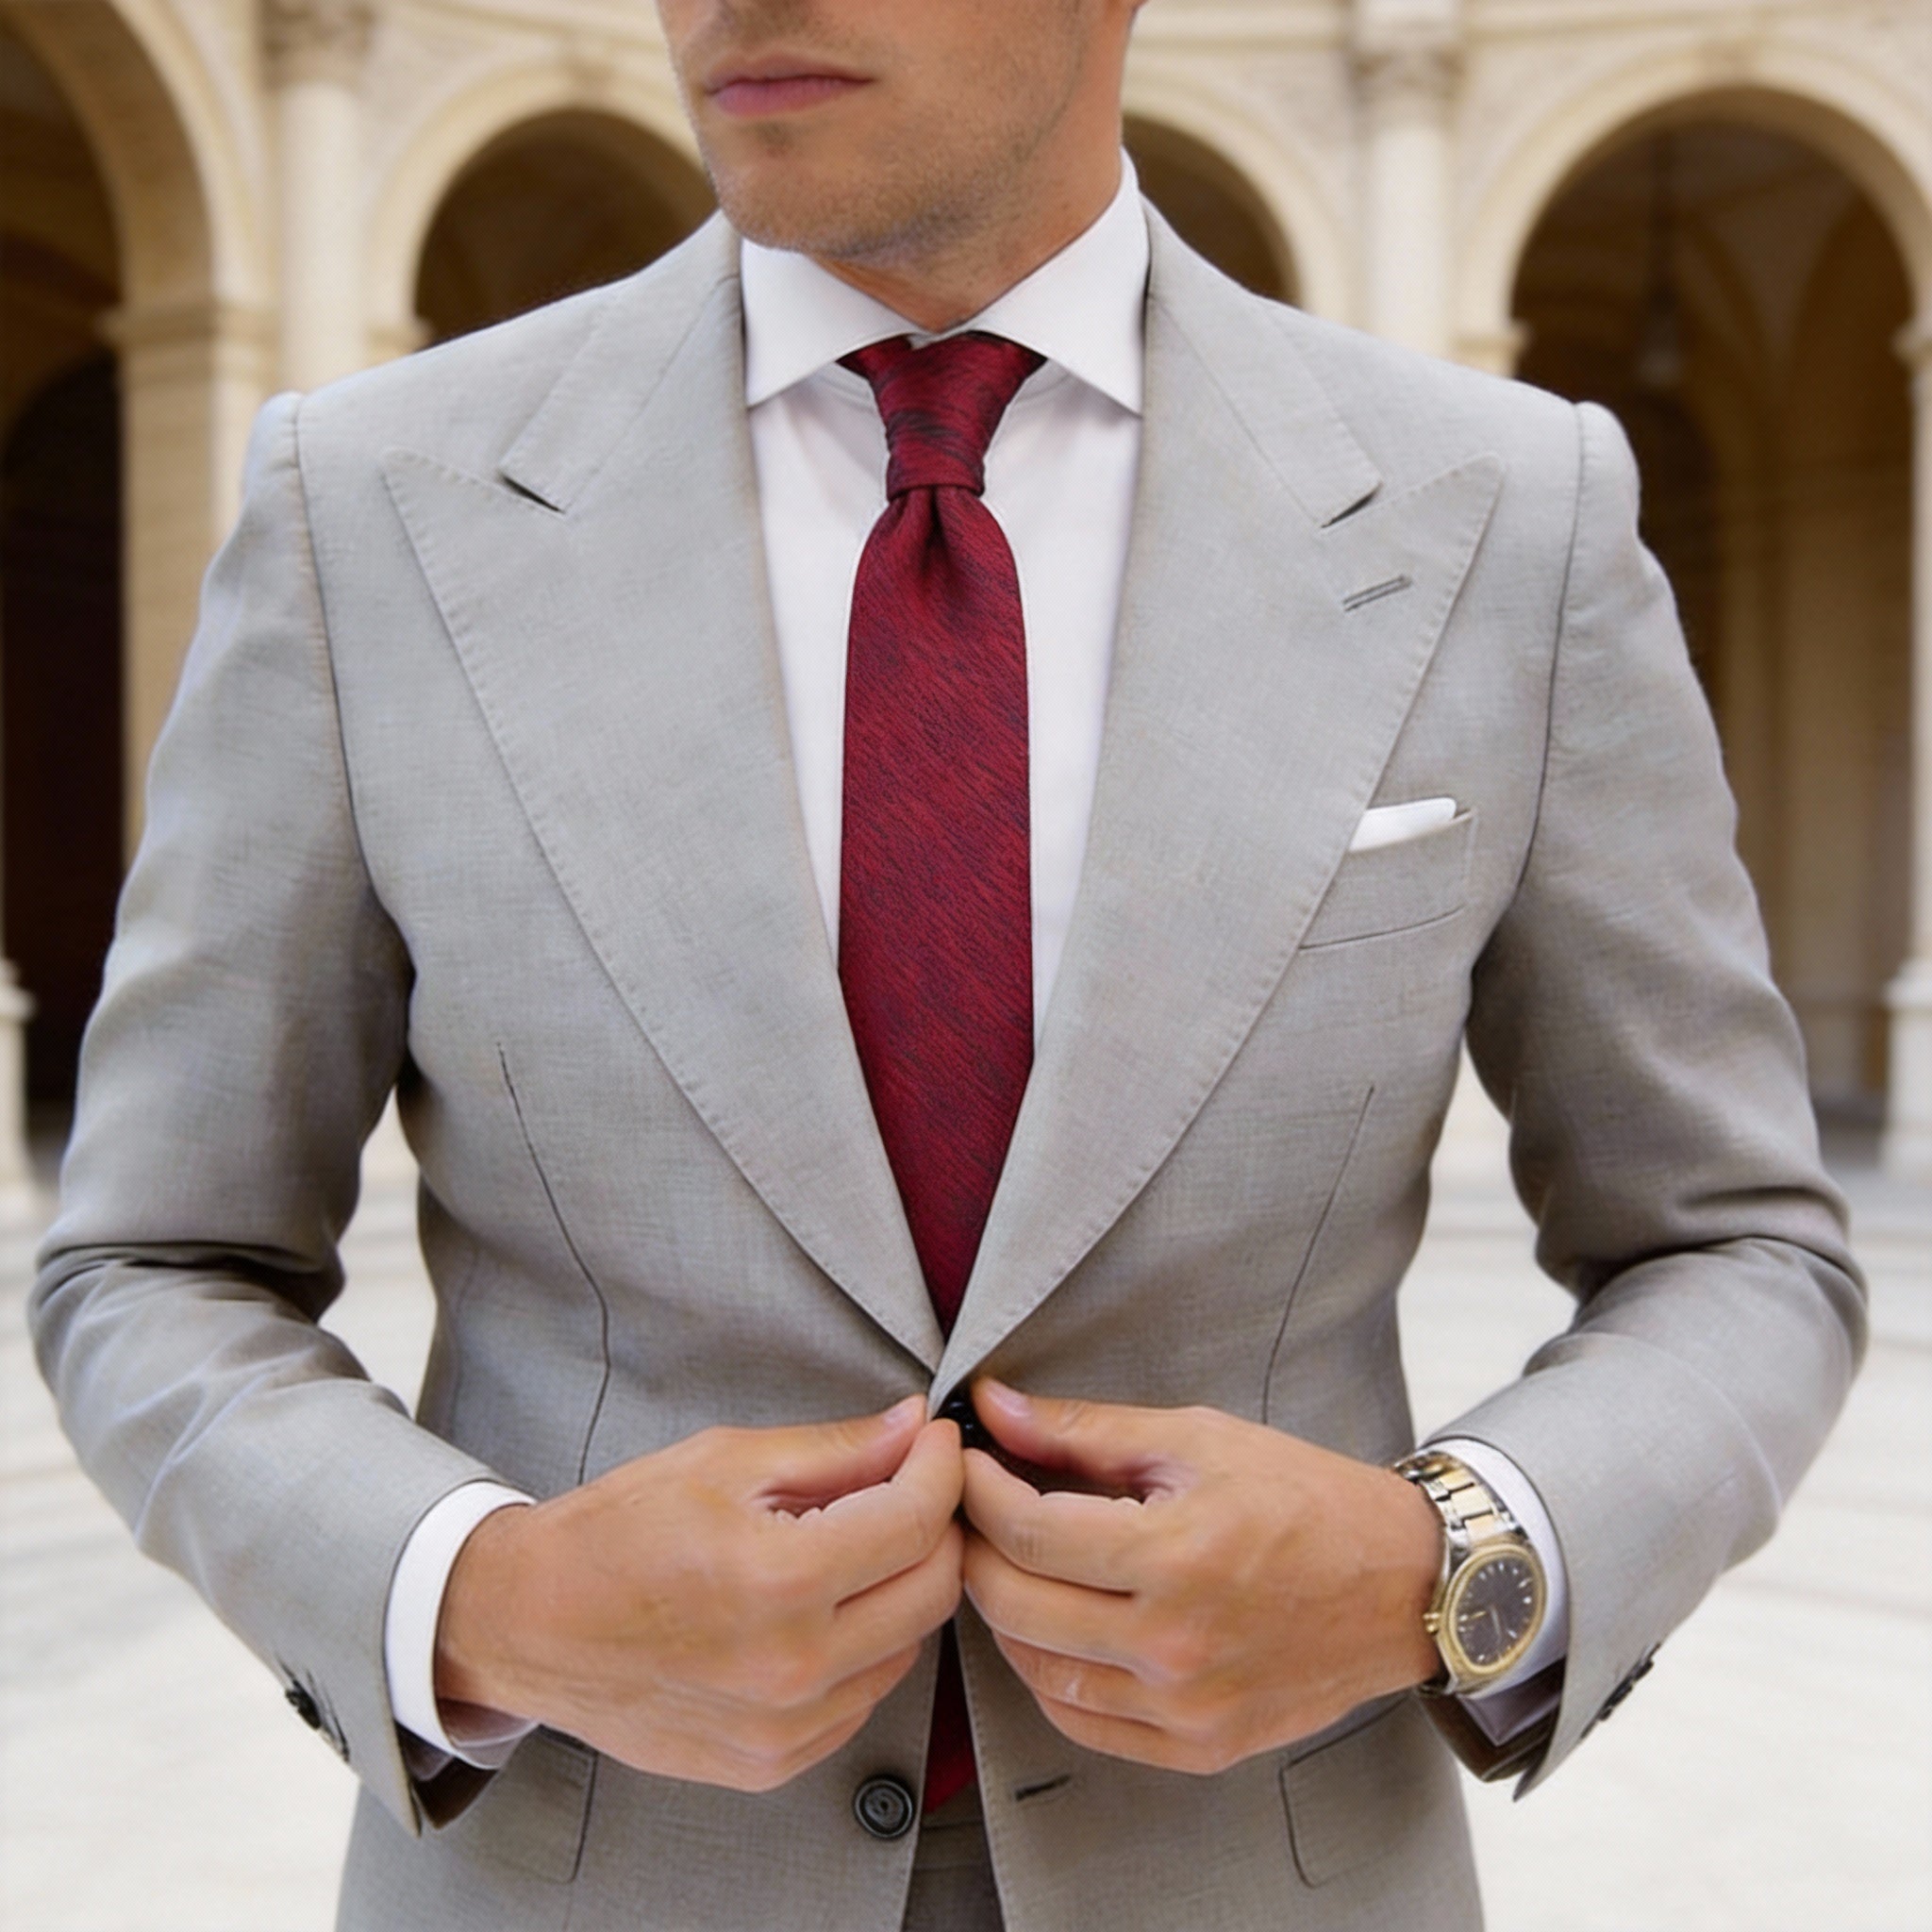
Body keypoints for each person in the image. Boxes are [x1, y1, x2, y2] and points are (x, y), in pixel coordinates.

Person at [30, 0, 1864, 1927]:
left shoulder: (1504, 517)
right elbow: (154, 1259)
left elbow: (1734, 1246)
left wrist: (1442, 1559)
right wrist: (483, 1597)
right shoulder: (369, 507)